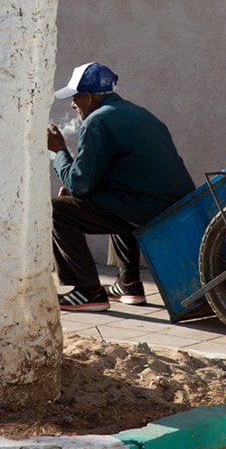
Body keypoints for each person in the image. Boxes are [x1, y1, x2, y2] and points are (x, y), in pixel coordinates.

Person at [46, 61, 195, 311]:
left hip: (147, 209)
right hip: (173, 206)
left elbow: (79, 184)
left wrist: (59, 151)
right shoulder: (141, 113)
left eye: (75, 98)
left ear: (89, 97)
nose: (73, 104)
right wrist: (76, 187)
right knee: (112, 197)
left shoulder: (97, 122)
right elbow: (109, 176)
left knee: (55, 210)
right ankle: (129, 284)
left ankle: (88, 291)